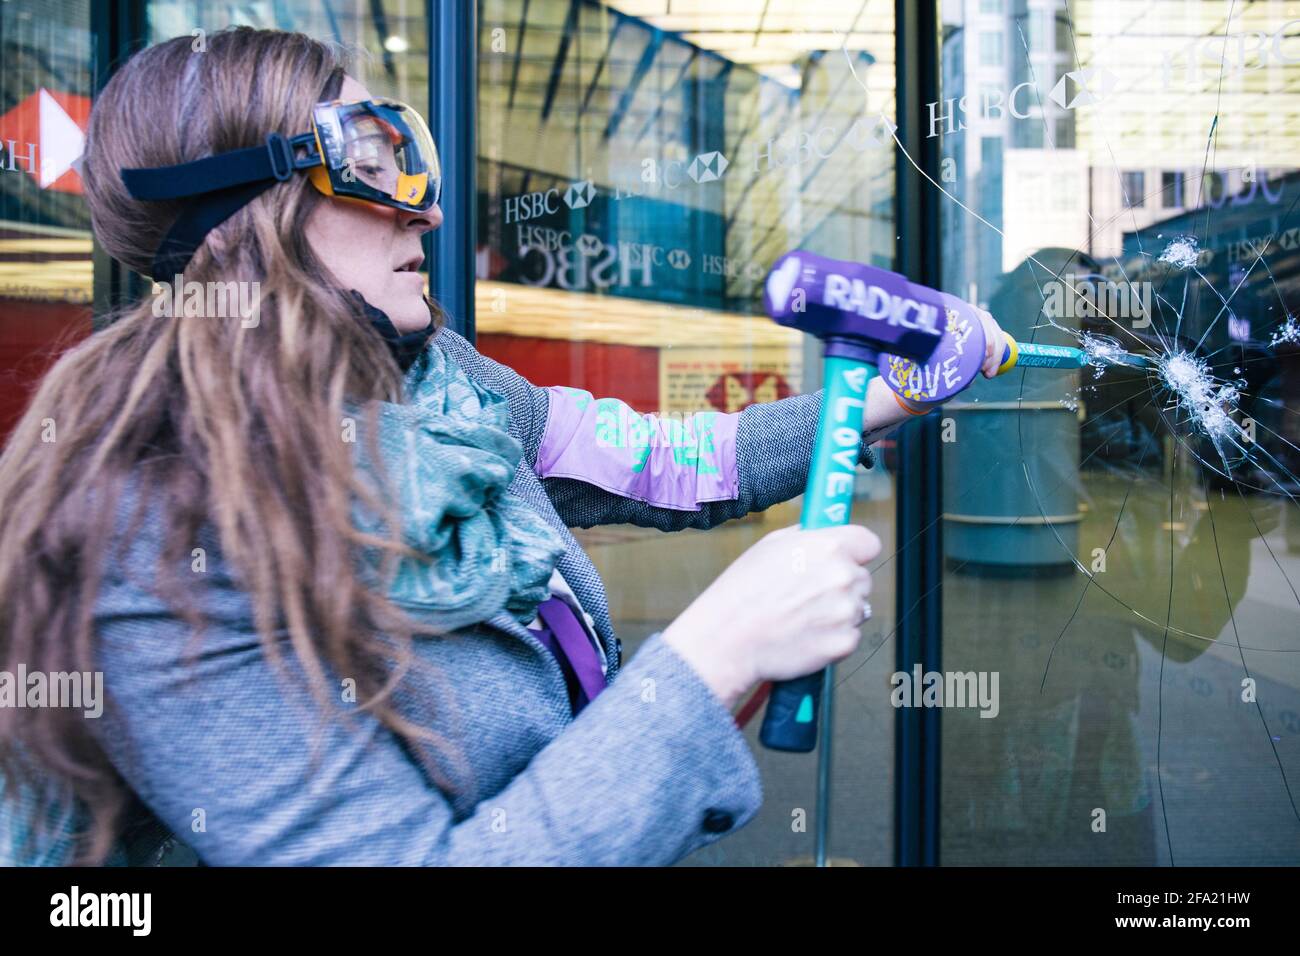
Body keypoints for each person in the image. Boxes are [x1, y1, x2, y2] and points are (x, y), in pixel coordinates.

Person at [0, 27, 1005, 866]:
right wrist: (718, 651)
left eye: (409, 161)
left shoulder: (445, 382)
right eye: (370, 166)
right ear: (243, 218)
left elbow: (663, 463)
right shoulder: (151, 545)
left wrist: (884, 399)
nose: (427, 210)